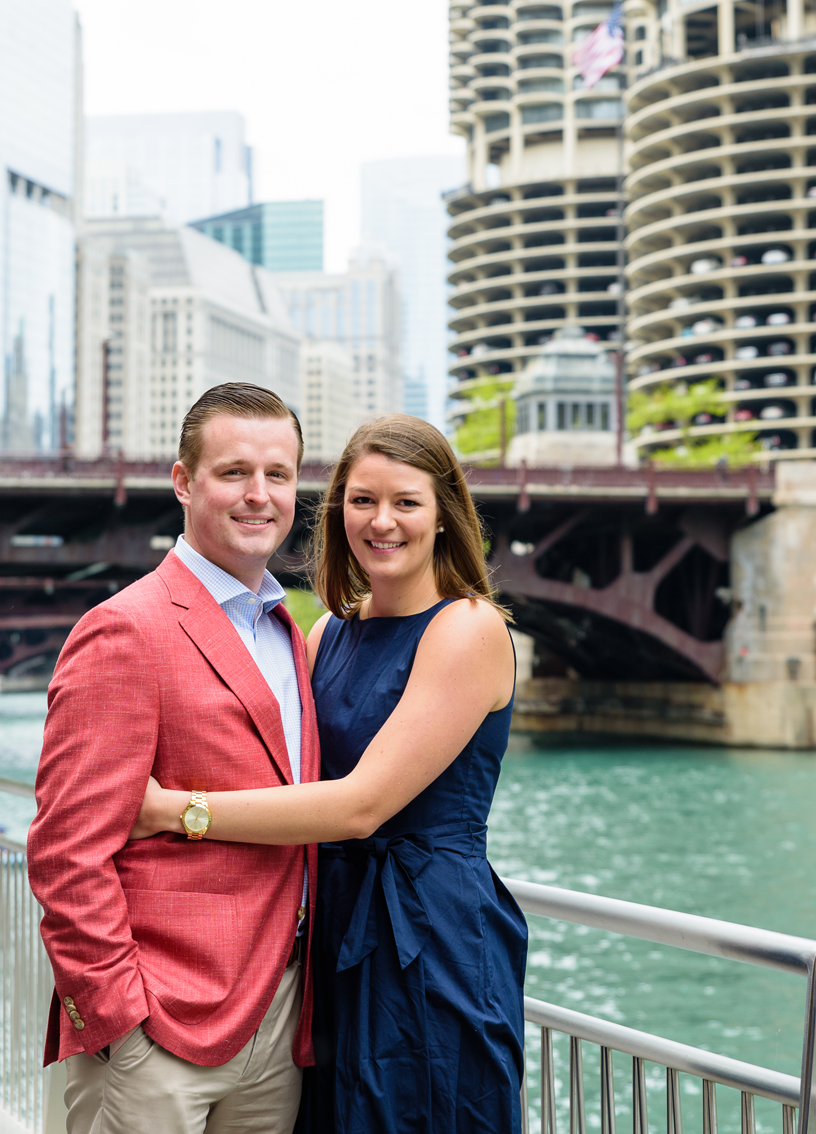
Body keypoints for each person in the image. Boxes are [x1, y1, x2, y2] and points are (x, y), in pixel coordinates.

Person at [129, 414, 527, 1133]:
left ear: (444, 517)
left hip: (429, 937)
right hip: (329, 933)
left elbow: (357, 807)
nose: (381, 521)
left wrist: (175, 811)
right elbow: (282, 778)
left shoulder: (468, 629)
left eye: (406, 502)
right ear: (338, 508)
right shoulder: (326, 633)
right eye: (361, 499)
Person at [30, 383, 320, 1134]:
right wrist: (119, 1021)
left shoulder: (288, 630)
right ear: (184, 482)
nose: (259, 495)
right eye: (234, 473)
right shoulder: (125, 629)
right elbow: (65, 853)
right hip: (157, 1035)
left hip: (279, 1024)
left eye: (279, 475)